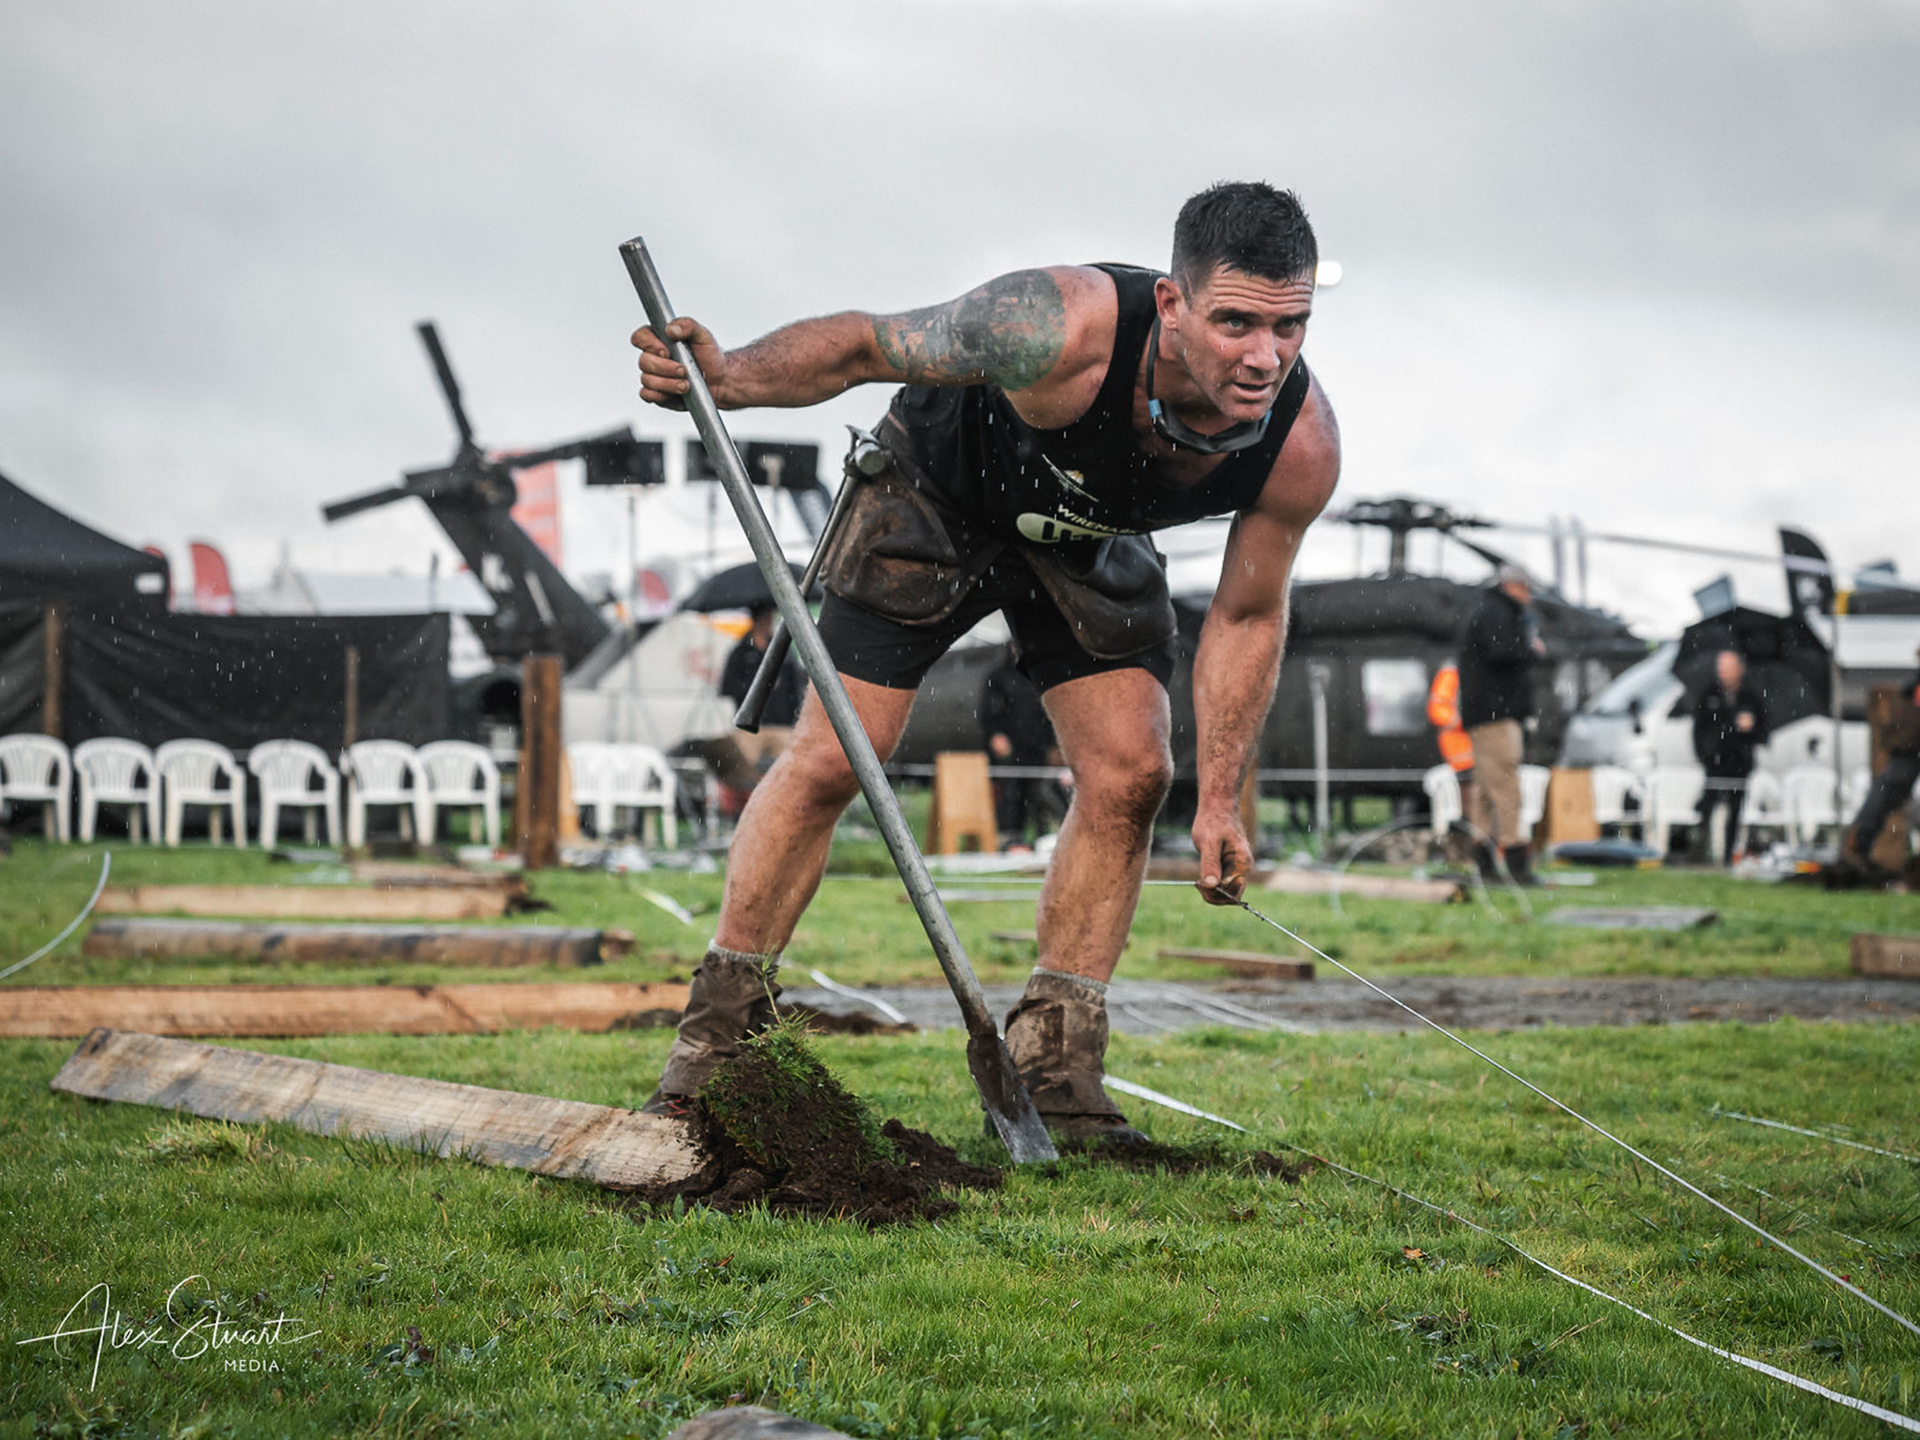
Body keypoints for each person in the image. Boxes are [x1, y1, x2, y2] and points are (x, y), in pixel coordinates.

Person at [630, 181, 1341, 1144]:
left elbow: (1249, 615)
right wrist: (733, 374)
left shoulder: (1297, 443)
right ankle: (715, 1048)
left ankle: (1057, 1068)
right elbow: (866, 344)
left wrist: (1220, 798)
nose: (1264, 356)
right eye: (1235, 323)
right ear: (1172, 306)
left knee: (1135, 773)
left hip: (1084, 536)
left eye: (1290, 325)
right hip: (936, 492)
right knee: (840, 754)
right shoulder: (1051, 326)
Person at [1456, 564, 1545, 884]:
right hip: (1497, 715)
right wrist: (1530, 650)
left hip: (1482, 714)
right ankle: (1516, 858)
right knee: (1506, 786)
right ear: (1514, 586)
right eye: (1527, 589)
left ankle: (1483, 859)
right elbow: (1504, 652)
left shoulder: (1483, 609)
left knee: (1484, 788)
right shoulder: (1498, 613)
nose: (1529, 597)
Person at [1845, 643, 1920, 870]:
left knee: (1884, 796)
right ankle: (1858, 848)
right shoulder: (1911, 690)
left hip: (1907, 752)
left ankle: (1858, 847)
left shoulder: (1910, 691)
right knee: (1885, 797)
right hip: (1908, 752)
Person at [982, 650, 1067, 851]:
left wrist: (1055, 743)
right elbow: (989, 711)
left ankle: (1042, 838)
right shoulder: (999, 675)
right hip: (1011, 747)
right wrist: (996, 734)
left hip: (1038, 746)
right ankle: (1010, 840)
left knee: (1040, 793)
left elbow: (1050, 710)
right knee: (1011, 794)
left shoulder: (1040, 674)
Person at [1690, 648, 1768, 863]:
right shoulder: (1709, 695)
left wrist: (1749, 729)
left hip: (1740, 763)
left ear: (1739, 670)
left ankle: (1727, 856)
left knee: (1736, 809)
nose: (1723, 674)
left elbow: (1763, 730)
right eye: (1721, 669)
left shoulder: (1750, 697)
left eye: (1728, 669)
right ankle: (1699, 851)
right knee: (1707, 806)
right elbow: (1699, 730)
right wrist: (1705, 754)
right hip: (1715, 762)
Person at [715, 604, 806, 777]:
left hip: (781, 726)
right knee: (746, 774)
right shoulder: (741, 651)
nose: (769, 623)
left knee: (785, 774)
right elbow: (728, 687)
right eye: (765, 619)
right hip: (750, 727)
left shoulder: (783, 650)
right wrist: (754, 688)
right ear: (756, 621)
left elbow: (795, 685)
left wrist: (795, 720)